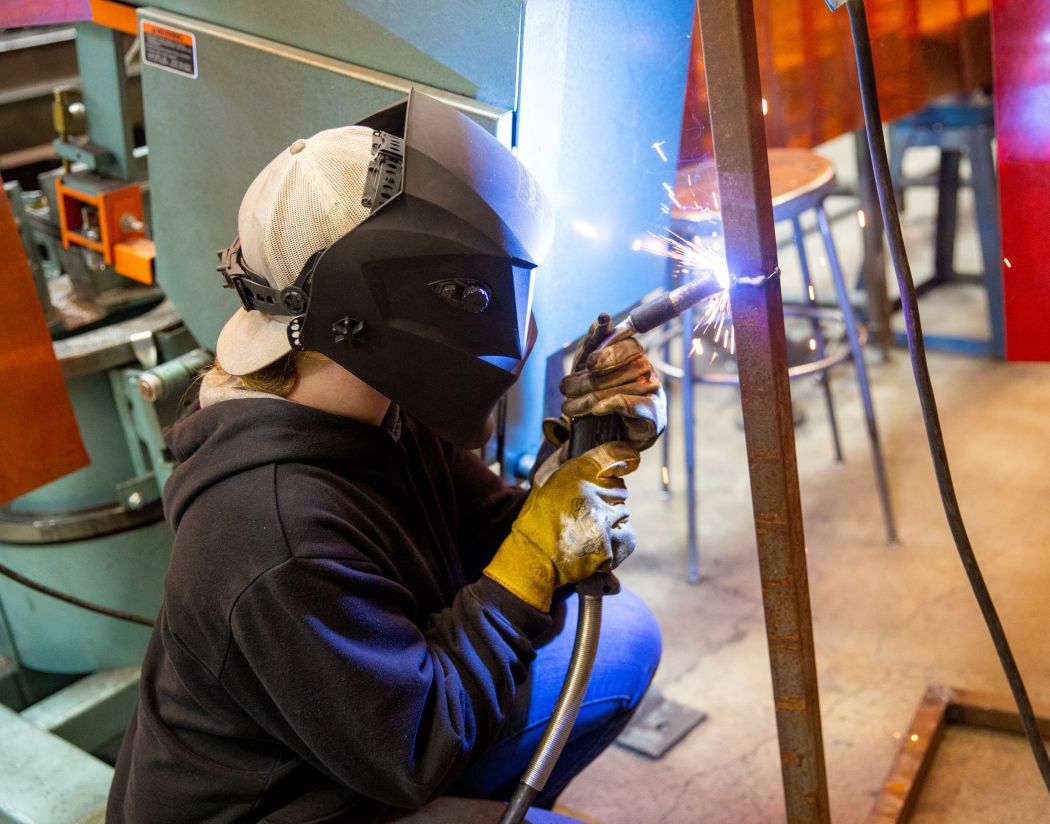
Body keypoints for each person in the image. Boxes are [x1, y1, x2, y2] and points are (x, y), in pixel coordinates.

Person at [108, 92, 666, 823]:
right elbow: (416, 747)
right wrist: (534, 561)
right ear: (395, 298)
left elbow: (497, 543)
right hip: (297, 802)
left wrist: (582, 463)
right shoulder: (271, 533)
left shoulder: (379, 403)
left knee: (625, 639)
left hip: (364, 738)